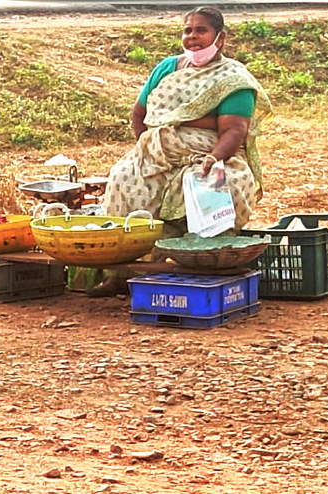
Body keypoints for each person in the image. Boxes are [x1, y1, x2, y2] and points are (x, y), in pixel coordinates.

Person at [88, 5, 272, 297]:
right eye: (188, 31)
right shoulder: (167, 67)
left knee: (221, 187)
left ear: (220, 37)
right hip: (156, 153)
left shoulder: (233, 78)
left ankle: (207, 272)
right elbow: (140, 114)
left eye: (201, 31)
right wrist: (147, 148)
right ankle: (121, 274)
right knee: (123, 178)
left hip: (209, 154)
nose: (193, 37)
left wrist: (213, 158)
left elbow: (234, 130)